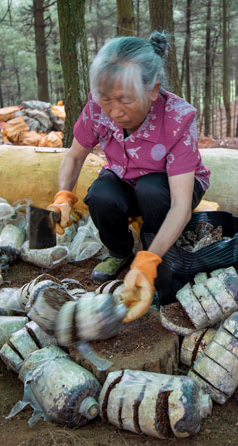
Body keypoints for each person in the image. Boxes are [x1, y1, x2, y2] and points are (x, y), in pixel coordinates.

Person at [48, 32, 210, 323]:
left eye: (125, 100)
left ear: (152, 90)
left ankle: (155, 256)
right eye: (106, 99)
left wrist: (147, 263)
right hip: (125, 175)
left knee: (151, 191)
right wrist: (62, 196)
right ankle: (120, 251)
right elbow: (74, 156)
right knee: (101, 195)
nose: (115, 111)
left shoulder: (177, 118)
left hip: (169, 187)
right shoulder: (99, 108)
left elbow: (180, 206)